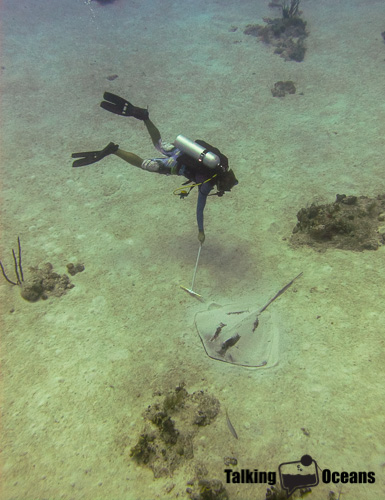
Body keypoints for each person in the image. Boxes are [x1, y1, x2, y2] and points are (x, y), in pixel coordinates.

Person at [71, 93, 238, 243]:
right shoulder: (208, 184)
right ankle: (114, 150)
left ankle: (144, 117)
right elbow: (200, 208)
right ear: (222, 183)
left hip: (180, 150)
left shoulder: (220, 163)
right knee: (144, 164)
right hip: (175, 166)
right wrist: (201, 231)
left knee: (158, 144)